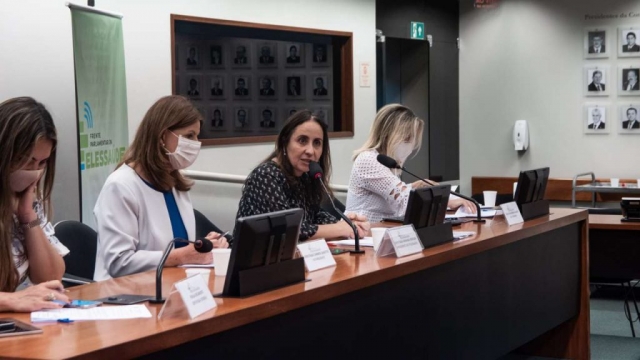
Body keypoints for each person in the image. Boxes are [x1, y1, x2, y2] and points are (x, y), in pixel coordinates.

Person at [93, 96, 228, 280]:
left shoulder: (175, 183)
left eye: (197, 135)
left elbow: (178, 246)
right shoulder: (120, 186)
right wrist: (183, 255)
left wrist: (204, 246)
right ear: (163, 136)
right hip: (124, 297)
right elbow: (120, 262)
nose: (196, 143)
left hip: (172, 286)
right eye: (189, 135)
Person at [237, 110, 370, 241]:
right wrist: (341, 228)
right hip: (252, 260)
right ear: (284, 143)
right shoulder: (266, 176)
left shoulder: (306, 176)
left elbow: (316, 217)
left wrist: (349, 224)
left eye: (317, 143)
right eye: (302, 141)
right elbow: (287, 230)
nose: (310, 151)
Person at [345, 104, 475, 223]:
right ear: (388, 135)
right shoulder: (368, 160)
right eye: (407, 138)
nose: (411, 146)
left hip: (383, 230)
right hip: (361, 234)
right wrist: (447, 202)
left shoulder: (388, 162)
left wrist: (414, 186)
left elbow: (386, 193)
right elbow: (403, 201)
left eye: (413, 139)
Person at [0, 97, 70, 311]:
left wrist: (28, 217)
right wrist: (9, 300)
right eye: (28, 160)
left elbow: (50, 276)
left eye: (42, 162)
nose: (34, 171)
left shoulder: (24, 199)